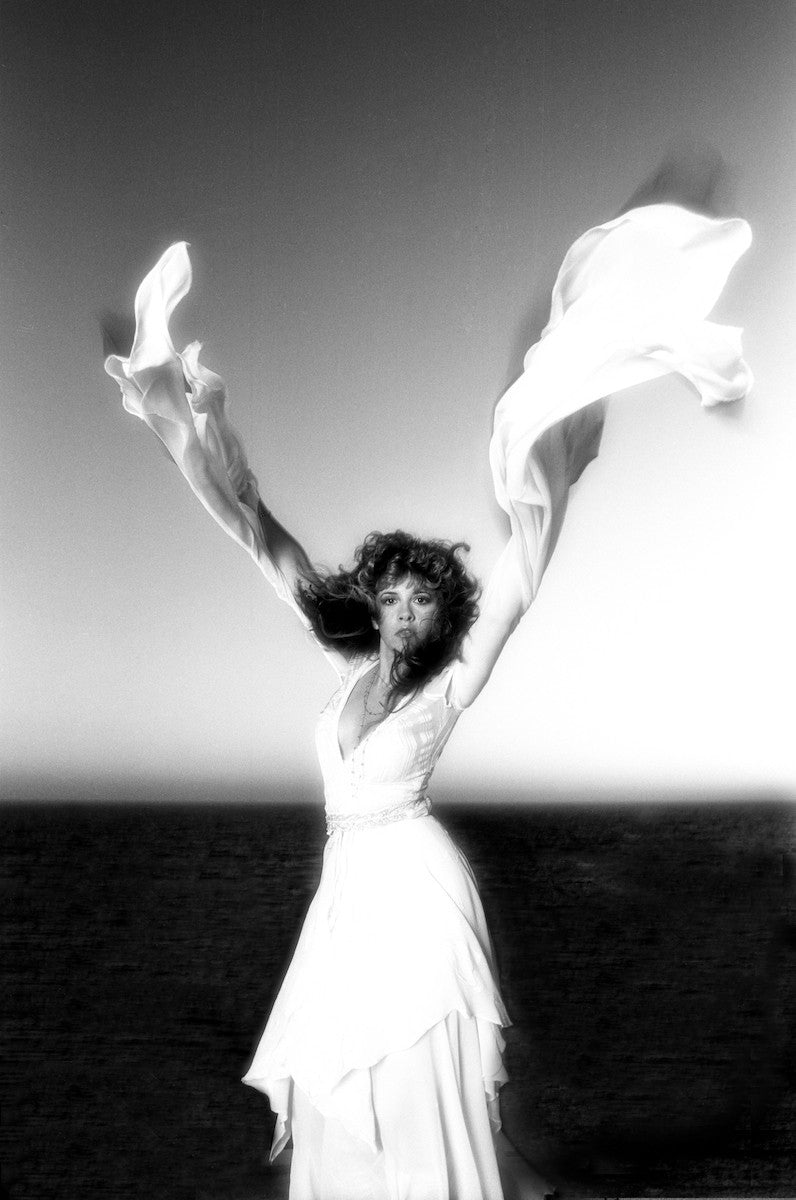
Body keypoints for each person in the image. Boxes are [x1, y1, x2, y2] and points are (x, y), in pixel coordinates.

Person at [104, 192, 752, 1199]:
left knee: (413, 1081)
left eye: (423, 599)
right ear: (374, 603)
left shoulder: (453, 683)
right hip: (346, 895)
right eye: (394, 595)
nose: (406, 612)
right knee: (339, 1088)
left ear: (441, 612)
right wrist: (197, 436)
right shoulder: (348, 670)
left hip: (416, 893)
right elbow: (265, 543)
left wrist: (544, 455)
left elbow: (520, 583)